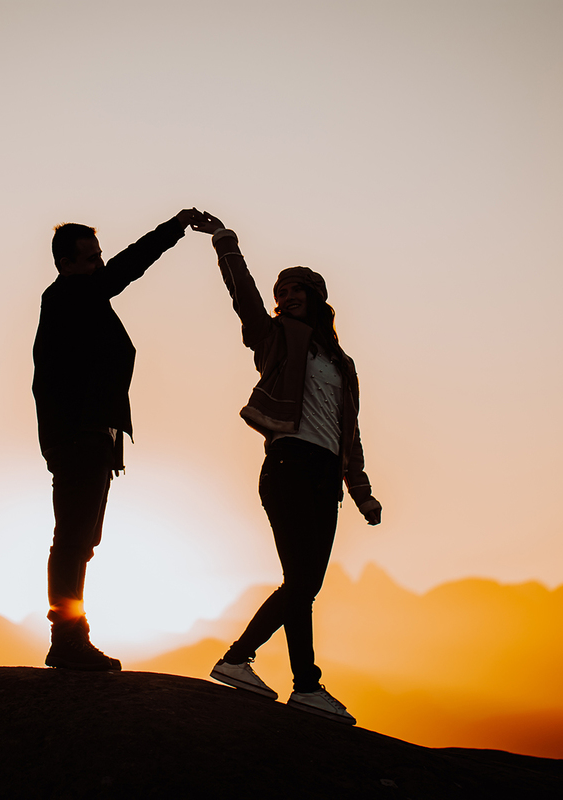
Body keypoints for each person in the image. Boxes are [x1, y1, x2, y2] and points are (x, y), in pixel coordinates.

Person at [193, 211, 382, 724]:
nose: (288, 295)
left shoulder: (342, 364)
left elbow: (349, 433)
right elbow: (244, 298)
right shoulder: (275, 338)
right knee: (301, 582)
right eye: (283, 290)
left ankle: (287, 680)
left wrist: (361, 491)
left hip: (325, 477)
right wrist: (224, 241)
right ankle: (274, 672)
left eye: (298, 289)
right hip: (287, 465)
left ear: (317, 297)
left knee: (305, 585)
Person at [32, 208, 201, 671]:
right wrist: (174, 227)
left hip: (93, 438)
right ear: (65, 263)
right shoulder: (68, 295)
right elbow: (128, 267)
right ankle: (67, 638)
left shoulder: (84, 298)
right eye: (91, 259)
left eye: (99, 256)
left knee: (82, 541)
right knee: (72, 540)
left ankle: (71, 635)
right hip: (79, 438)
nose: (100, 265)